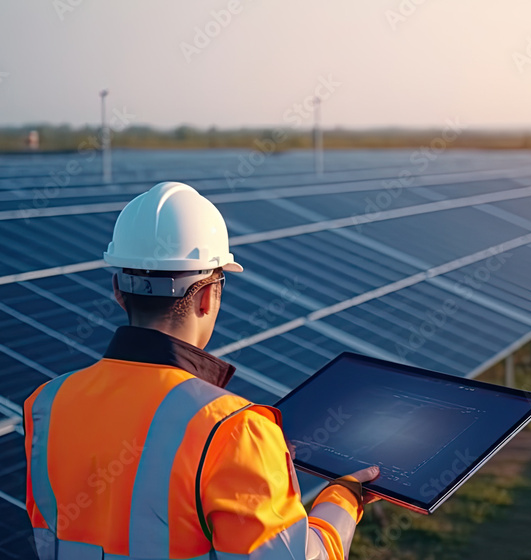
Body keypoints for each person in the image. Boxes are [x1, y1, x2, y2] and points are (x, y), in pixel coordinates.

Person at [24, 181, 378, 560]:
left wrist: (258, 460)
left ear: (118, 290)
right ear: (209, 296)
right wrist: (344, 498)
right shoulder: (235, 431)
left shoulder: (47, 405)